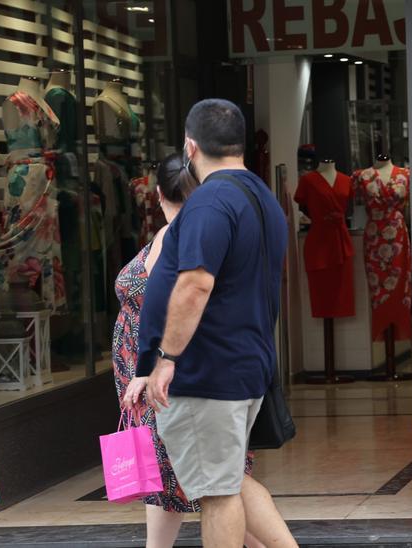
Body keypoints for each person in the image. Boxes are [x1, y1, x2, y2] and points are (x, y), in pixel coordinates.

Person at [126, 99, 297, 548]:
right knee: (227, 480)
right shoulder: (261, 196)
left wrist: (165, 358)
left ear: (190, 146)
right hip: (241, 367)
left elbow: (195, 284)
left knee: (217, 494)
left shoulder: (210, 201)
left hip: (209, 373)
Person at [113, 153, 265, 548]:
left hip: (168, 379)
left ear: (157, 193)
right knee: (186, 480)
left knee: (221, 483)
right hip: (165, 377)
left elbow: (175, 304)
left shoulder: (177, 234)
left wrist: (150, 369)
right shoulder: (197, 229)